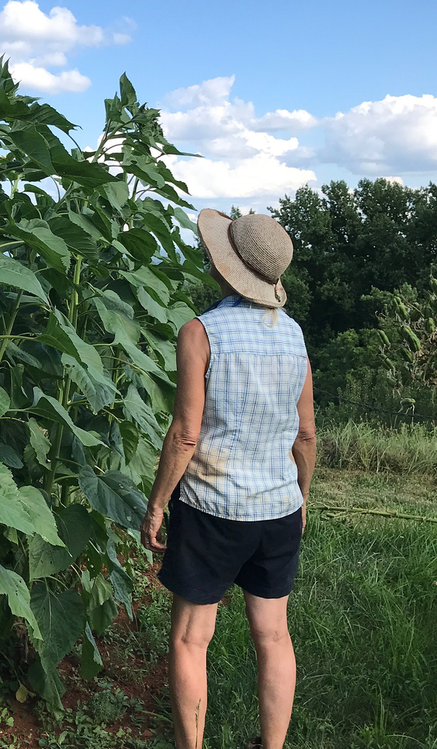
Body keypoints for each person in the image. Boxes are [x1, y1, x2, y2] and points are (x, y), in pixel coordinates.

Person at [140, 209, 317, 749]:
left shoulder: (201, 332)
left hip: (212, 509)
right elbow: (305, 435)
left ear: (224, 267)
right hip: (277, 510)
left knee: (193, 639)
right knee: (273, 635)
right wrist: (301, 497)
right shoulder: (295, 337)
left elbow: (185, 434)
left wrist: (156, 505)